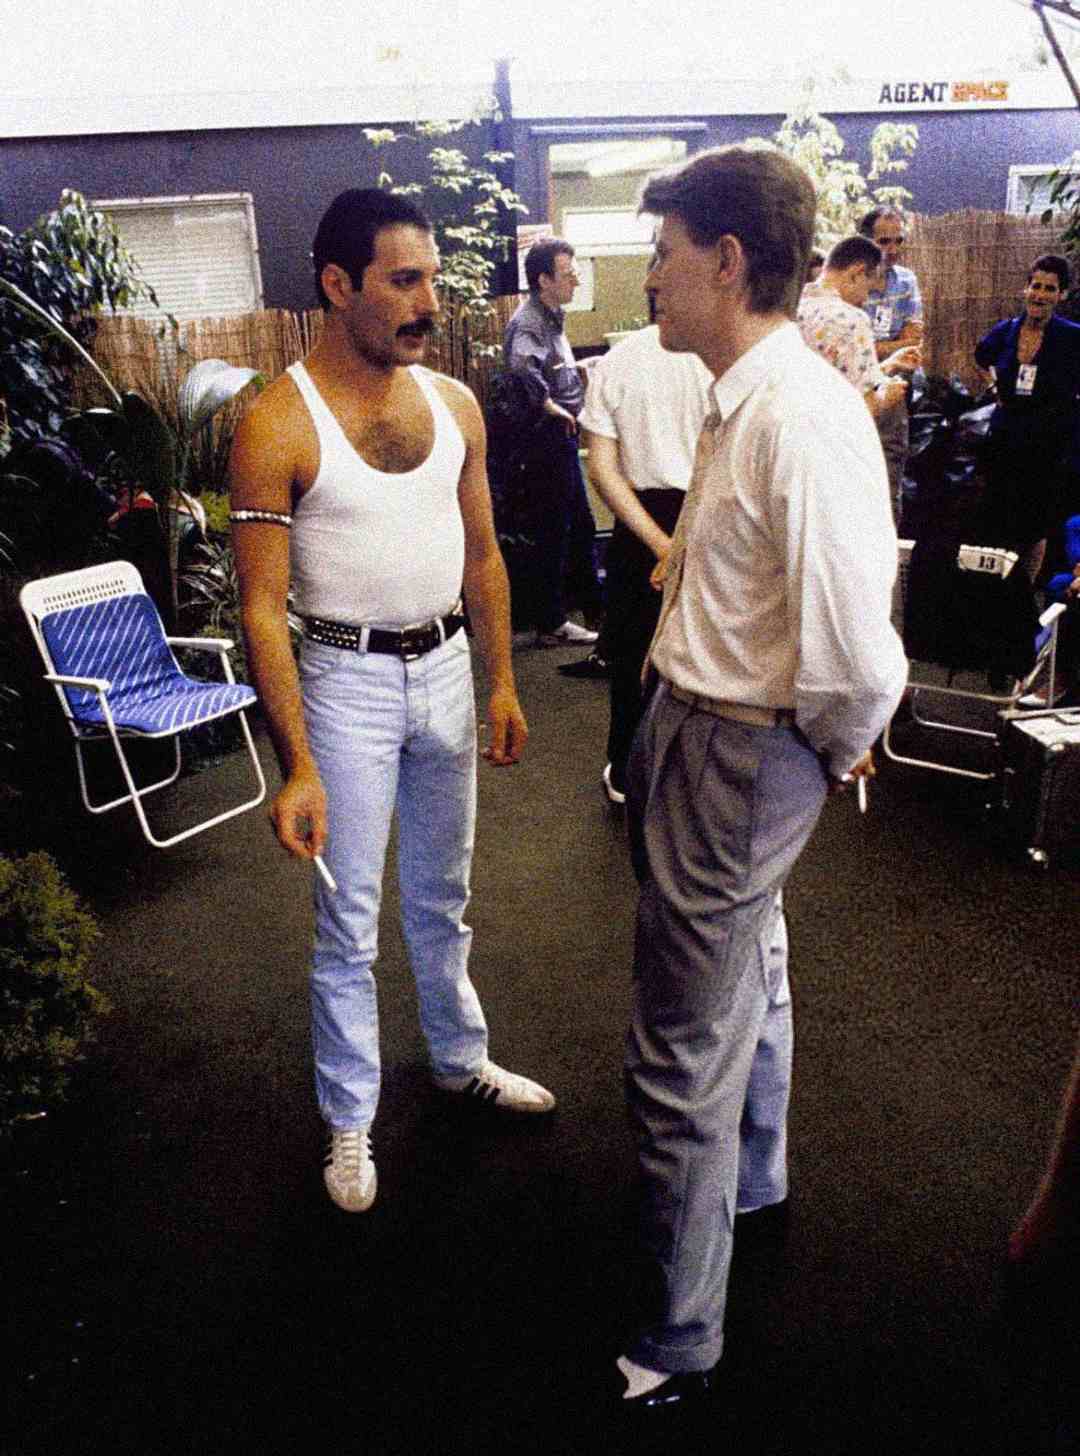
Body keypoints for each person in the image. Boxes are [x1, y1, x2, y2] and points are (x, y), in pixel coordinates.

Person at [614, 147, 907, 1421]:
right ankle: (756, 1183)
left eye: (665, 252)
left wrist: (821, 752)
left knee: (677, 1049)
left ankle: (677, 1341)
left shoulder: (799, 412)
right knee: (756, 972)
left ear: (727, 261)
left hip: (738, 750)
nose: (651, 276)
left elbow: (859, 658)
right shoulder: (745, 395)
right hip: (704, 729)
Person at [229, 188, 555, 1216]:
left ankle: (460, 1060)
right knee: (349, 921)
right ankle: (350, 1117)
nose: (428, 303)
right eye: (403, 281)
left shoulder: (454, 405)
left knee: (442, 895)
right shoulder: (277, 423)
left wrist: (501, 679)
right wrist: (298, 763)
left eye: (432, 280)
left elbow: (484, 555)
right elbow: (260, 608)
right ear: (339, 284)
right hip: (344, 684)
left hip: (448, 668)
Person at [578, 304, 711, 805]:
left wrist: (658, 544)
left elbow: (602, 470)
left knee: (633, 650)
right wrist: (681, 542)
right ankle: (691, 775)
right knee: (706, 651)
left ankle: (627, 768)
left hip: (637, 525)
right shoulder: (716, 357)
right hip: (704, 515)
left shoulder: (618, 361)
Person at [503, 238, 604, 652]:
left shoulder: (551, 318)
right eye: (569, 273)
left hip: (559, 438)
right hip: (544, 439)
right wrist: (552, 407)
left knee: (579, 526)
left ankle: (593, 614)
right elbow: (520, 367)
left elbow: (546, 365)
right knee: (555, 530)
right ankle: (551, 622)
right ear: (544, 280)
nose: (576, 279)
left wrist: (578, 369)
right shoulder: (530, 321)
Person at [974, 253, 1080, 584]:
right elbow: (981, 357)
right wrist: (994, 388)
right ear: (1026, 289)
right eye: (1036, 286)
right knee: (997, 516)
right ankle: (996, 588)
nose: (1040, 295)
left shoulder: (1071, 337)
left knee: (1035, 525)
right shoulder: (1006, 330)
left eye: (1050, 288)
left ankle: (1025, 590)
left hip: (1047, 444)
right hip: (1005, 437)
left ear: (1062, 295)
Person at [797, 234, 920, 420]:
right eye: (868, 290)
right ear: (857, 273)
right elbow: (860, 411)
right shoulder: (851, 320)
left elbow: (837, 379)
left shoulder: (792, 310)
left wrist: (889, 364)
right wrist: (886, 397)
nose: (865, 299)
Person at [859, 207, 925, 513]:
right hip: (855, 387)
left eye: (899, 241)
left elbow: (914, 340)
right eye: (884, 241)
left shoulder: (906, 280)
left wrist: (874, 346)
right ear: (866, 241)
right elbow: (851, 347)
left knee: (890, 469)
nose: (893, 249)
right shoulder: (852, 281)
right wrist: (893, 347)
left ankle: (887, 537)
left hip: (892, 388)